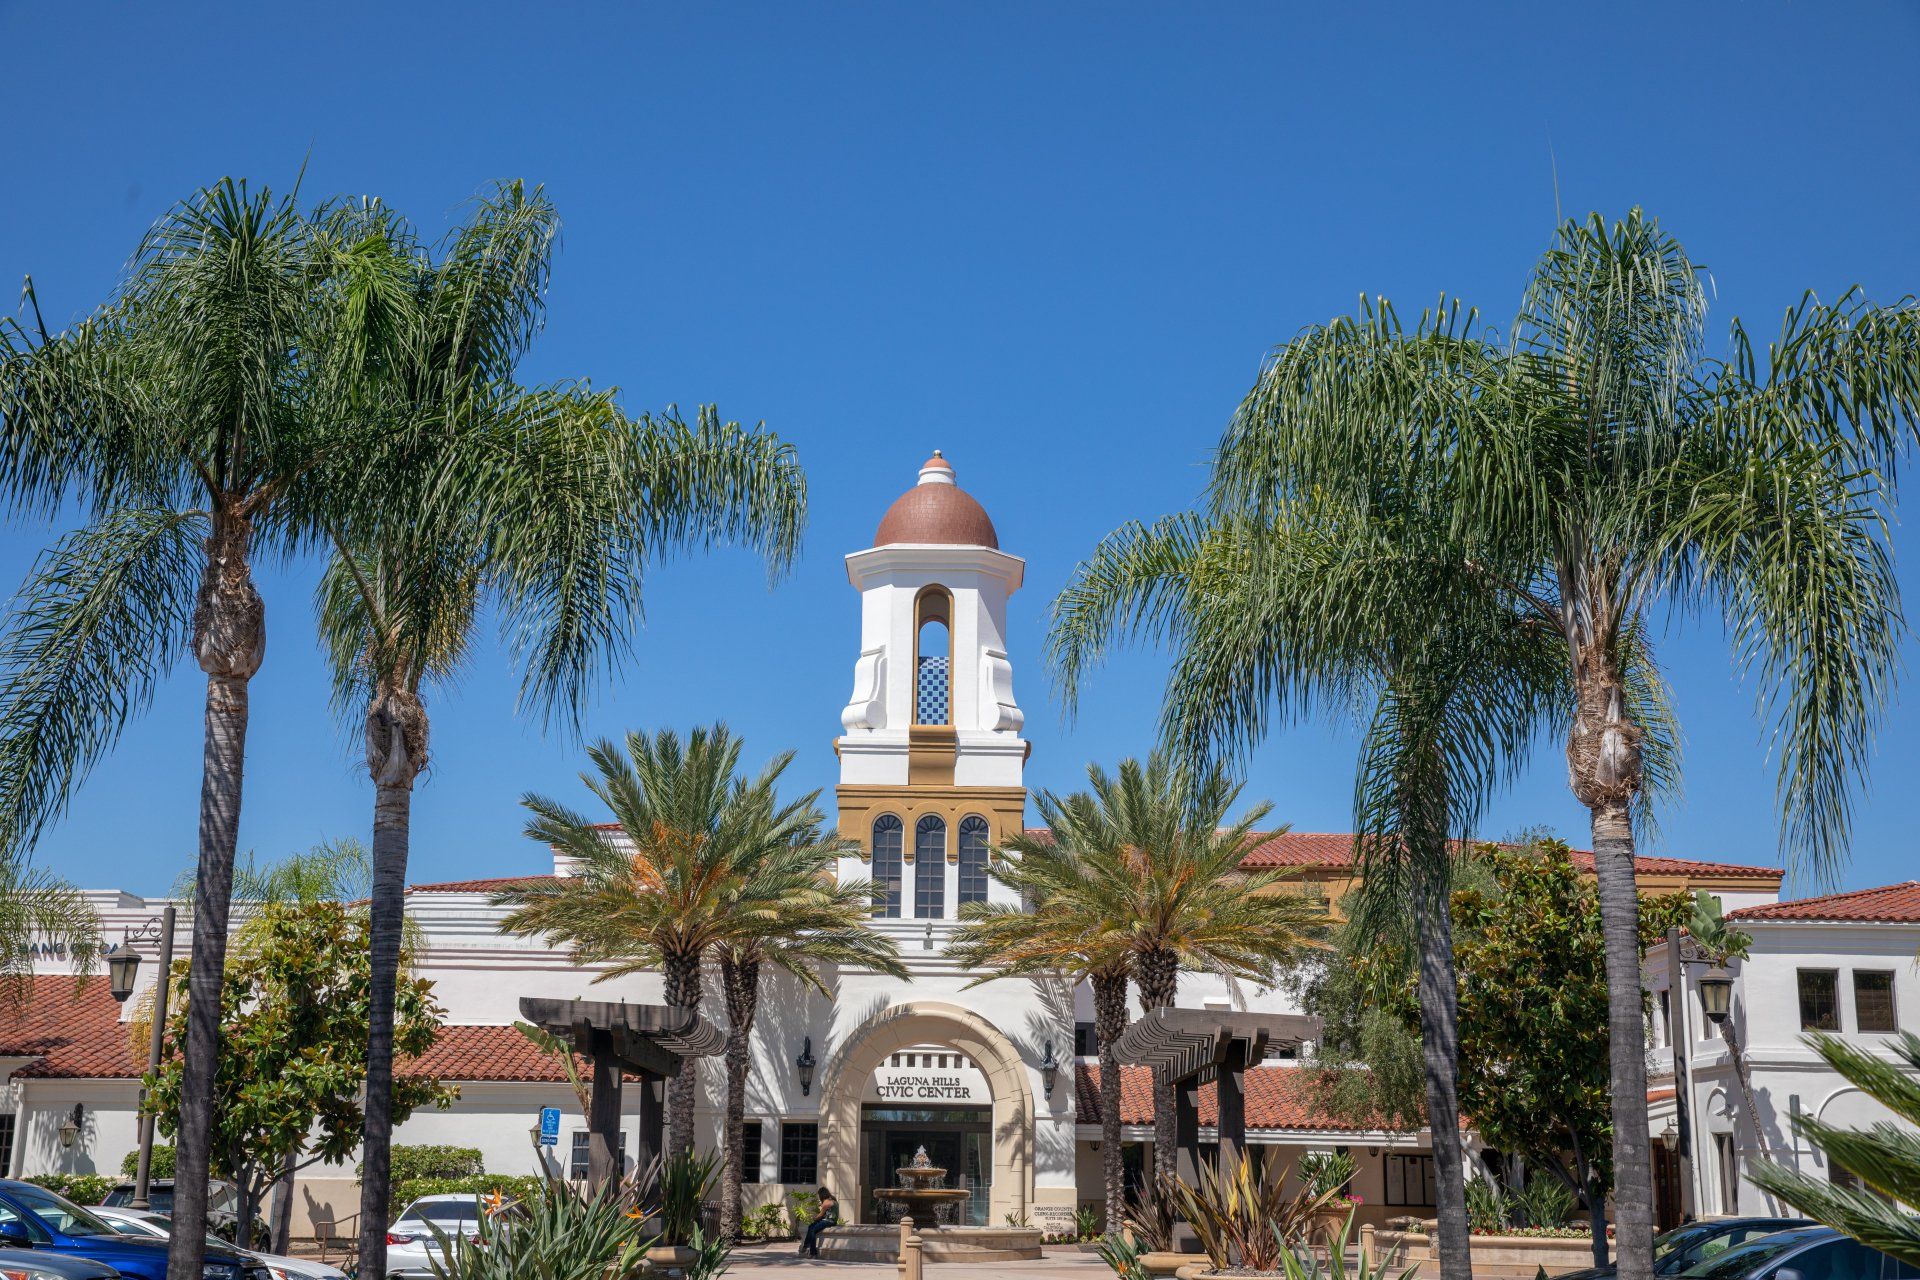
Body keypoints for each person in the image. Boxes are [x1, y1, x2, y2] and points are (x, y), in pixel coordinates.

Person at [799, 1186, 838, 1258]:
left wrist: (814, 1218)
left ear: (821, 1195)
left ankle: (812, 1252)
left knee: (813, 1230)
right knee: (811, 1226)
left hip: (829, 1221)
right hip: (831, 1220)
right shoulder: (833, 1200)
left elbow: (820, 1215)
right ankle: (806, 1246)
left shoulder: (826, 1202)